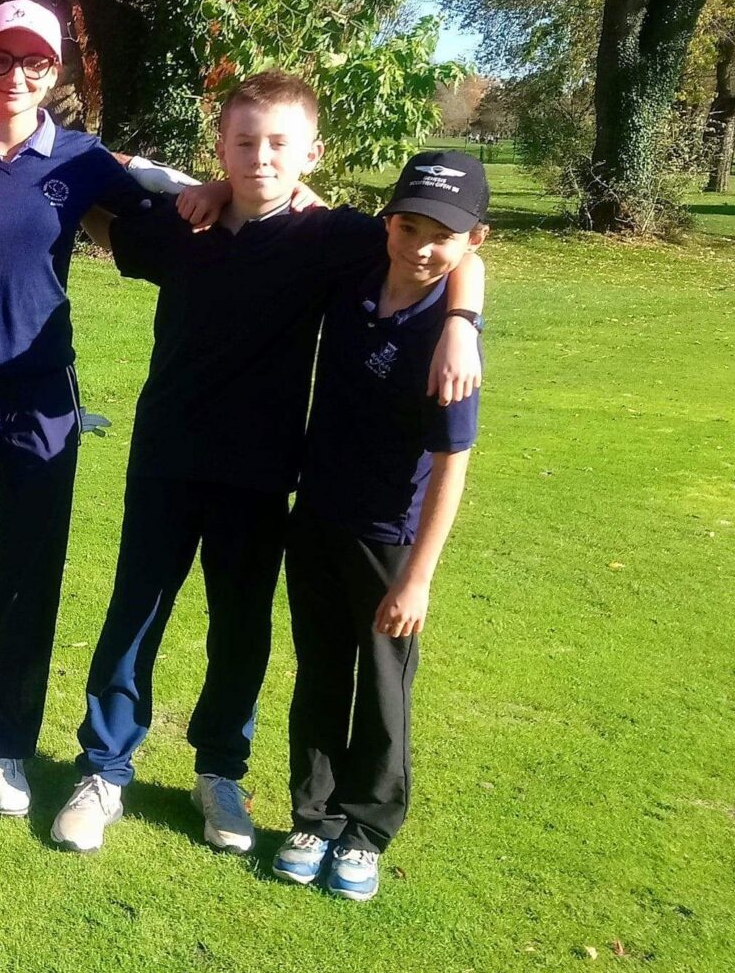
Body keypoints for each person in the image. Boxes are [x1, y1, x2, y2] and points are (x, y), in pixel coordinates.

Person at [49, 70, 484, 854]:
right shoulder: (183, 224)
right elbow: (102, 202)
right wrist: (196, 188)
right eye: (244, 143)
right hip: (166, 459)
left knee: (240, 629)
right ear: (220, 146)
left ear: (312, 153)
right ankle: (104, 769)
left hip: (261, 472)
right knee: (135, 616)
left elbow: (449, 247)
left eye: (280, 143)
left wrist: (462, 322)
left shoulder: (333, 238)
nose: (261, 158)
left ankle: (220, 772)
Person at [0, 0, 159, 816]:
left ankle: (6, 744)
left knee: (30, 574)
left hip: (44, 392)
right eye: (0, 59)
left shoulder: (83, 160)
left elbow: (165, 213)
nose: (16, 76)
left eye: (34, 62)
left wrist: (225, 191)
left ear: (56, 73)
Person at [269, 151, 488, 902]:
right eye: (408, 226)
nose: (419, 246)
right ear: (388, 220)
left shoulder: (451, 346)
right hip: (316, 516)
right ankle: (314, 816)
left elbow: (453, 463)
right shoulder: (363, 266)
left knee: (384, 688)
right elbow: (298, 196)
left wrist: (419, 578)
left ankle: (365, 831)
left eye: (442, 236)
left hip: (390, 538)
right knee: (320, 673)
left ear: (474, 240)